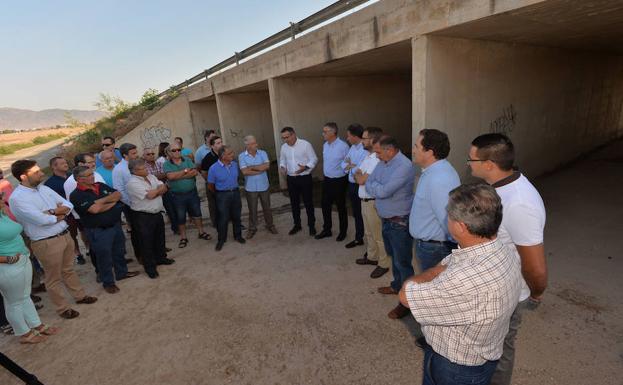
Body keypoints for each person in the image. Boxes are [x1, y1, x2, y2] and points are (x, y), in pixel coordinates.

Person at [399, 183, 522, 385]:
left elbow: (406, 296)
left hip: (456, 368)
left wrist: (425, 275)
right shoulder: (503, 249)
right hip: (482, 355)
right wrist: (444, 267)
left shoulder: (464, 279)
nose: (446, 219)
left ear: (461, 227)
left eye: (448, 215)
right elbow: (451, 262)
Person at [468, 133, 547, 385]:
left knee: (500, 351)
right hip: (490, 287)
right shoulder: (499, 188)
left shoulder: (520, 203)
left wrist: (536, 292)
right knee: (484, 347)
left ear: (489, 164)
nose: (468, 164)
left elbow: (535, 266)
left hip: (507, 294)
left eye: (471, 159)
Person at [9, 160, 97, 319]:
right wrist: (58, 214)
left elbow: (68, 205)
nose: (42, 173)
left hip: (64, 235)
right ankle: (63, 309)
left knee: (69, 270)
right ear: (23, 176)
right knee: (53, 278)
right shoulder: (18, 198)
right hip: (46, 242)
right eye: (36, 172)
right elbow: (42, 220)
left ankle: (80, 296)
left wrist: (52, 212)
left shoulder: (43, 188)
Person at [365, 136, 416, 319]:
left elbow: (384, 190)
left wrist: (376, 187)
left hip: (399, 221)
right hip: (387, 219)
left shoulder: (403, 166)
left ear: (390, 150)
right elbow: (370, 181)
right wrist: (377, 186)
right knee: (393, 256)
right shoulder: (384, 162)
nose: (376, 156)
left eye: (378, 152)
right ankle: (396, 286)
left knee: (403, 261)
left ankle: (407, 302)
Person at [0, 195, 60, 344]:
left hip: (21, 260)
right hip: (8, 266)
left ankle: (36, 324)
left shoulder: (2, 214)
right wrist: (7, 259)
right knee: (13, 302)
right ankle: (23, 333)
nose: (3, 199)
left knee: (24, 296)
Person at [70, 166, 140, 293]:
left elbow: (118, 194)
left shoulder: (100, 185)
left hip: (115, 226)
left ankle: (122, 273)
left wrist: (101, 201)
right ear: (80, 179)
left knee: (119, 252)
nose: (93, 176)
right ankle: (108, 282)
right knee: (104, 258)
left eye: (92, 174)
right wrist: (111, 202)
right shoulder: (76, 195)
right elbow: (94, 210)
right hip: (98, 231)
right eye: (89, 175)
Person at [410, 129, 461, 271]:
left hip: (435, 249)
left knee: (433, 290)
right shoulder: (432, 171)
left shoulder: (439, 178)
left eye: (416, 146)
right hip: (431, 247)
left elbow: (448, 219)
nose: (413, 150)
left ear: (430, 152)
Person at [127, 159, 174, 278]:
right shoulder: (132, 183)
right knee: (146, 243)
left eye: (145, 167)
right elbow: (150, 195)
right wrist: (158, 191)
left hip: (156, 213)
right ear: (134, 171)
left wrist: (157, 191)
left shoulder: (151, 176)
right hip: (143, 216)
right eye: (143, 168)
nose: (146, 169)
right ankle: (150, 267)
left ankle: (161, 258)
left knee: (159, 238)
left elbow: (164, 187)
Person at [353, 127, 390, 279]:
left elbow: (360, 179)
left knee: (378, 235)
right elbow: (356, 173)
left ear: (373, 140)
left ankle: (384, 264)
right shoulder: (368, 156)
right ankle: (372, 257)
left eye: (364, 138)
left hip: (373, 201)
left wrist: (359, 176)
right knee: (369, 233)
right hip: (364, 200)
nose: (362, 141)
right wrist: (359, 176)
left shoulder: (376, 159)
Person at [164, 142, 211, 248]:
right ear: (168, 152)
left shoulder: (188, 160)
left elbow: (194, 172)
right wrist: (185, 171)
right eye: (174, 150)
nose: (177, 152)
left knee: (197, 214)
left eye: (179, 150)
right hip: (177, 196)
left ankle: (201, 232)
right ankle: (183, 237)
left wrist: (178, 175)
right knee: (180, 217)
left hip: (192, 193)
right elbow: (170, 177)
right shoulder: (166, 164)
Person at [45, 157, 85, 265]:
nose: (66, 164)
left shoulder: (73, 175)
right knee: (72, 235)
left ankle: (89, 249)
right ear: (54, 167)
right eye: (62, 163)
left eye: (66, 162)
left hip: (80, 209)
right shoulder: (49, 184)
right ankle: (77, 254)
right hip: (66, 213)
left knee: (84, 230)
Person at [279, 127, 318, 236]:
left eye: (287, 137)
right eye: (283, 138)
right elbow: (282, 160)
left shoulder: (305, 144)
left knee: (308, 203)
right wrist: (282, 167)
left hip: (304, 178)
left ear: (293, 134)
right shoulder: (283, 147)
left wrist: (305, 167)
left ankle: (311, 226)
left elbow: (314, 159)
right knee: (294, 203)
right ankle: (297, 225)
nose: (285, 140)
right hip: (291, 179)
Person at [315, 122, 349, 242]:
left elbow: (348, 164)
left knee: (340, 206)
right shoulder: (325, 145)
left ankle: (343, 231)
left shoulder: (343, 146)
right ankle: (327, 230)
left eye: (325, 131)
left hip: (339, 181)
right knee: (325, 205)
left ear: (333, 132)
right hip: (327, 180)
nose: (322, 134)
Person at [239, 135, 277, 238]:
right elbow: (245, 172)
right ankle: (252, 228)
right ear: (247, 145)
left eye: (255, 142)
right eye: (253, 143)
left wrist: (251, 168)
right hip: (250, 188)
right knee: (252, 209)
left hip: (264, 186)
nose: (256, 144)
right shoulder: (242, 156)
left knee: (267, 208)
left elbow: (267, 166)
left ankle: (270, 225)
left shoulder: (263, 153)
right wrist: (260, 169)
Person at [208, 146, 245, 251]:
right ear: (223, 156)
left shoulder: (234, 165)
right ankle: (221, 240)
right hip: (222, 195)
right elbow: (210, 185)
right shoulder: (213, 168)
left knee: (236, 216)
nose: (232, 155)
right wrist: (219, 193)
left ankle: (238, 236)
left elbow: (236, 178)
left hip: (235, 193)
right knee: (223, 218)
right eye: (230, 153)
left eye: (232, 152)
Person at [112, 143, 142, 262]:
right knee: (137, 232)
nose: (136, 155)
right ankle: (140, 256)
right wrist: (132, 203)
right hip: (131, 205)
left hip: (144, 201)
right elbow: (119, 190)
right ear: (125, 155)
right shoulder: (119, 169)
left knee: (148, 229)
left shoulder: (138, 164)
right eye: (133, 153)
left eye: (136, 152)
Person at [342, 124, 367, 248]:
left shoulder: (365, 149)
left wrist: (351, 167)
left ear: (356, 136)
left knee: (365, 214)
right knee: (356, 213)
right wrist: (351, 167)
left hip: (361, 185)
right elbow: (344, 163)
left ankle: (370, 244)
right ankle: (359, 238)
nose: (347, 138)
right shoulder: (352, 148)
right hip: (352, 184)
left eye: (348, 136)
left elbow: (361, 169)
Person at [200, 135, 223, 228]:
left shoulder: (225, 154)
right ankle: (215, 223)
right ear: (212, 146)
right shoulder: (208, 158)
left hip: (224, 184)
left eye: (221, 142)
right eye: (218, 143)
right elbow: (204, 172)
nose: (221, 144)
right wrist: (211, 182)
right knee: (213, 205)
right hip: (212, 185)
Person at [156, 142, 178, 234]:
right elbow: (162, 174)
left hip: (174, 185)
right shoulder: (161, 160)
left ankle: (178, 226)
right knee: (171, 209)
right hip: (166, 186)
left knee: (176, 208)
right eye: (171, 150)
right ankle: (175, 228)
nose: (174, 152)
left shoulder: (170, 159)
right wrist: (170, 174)